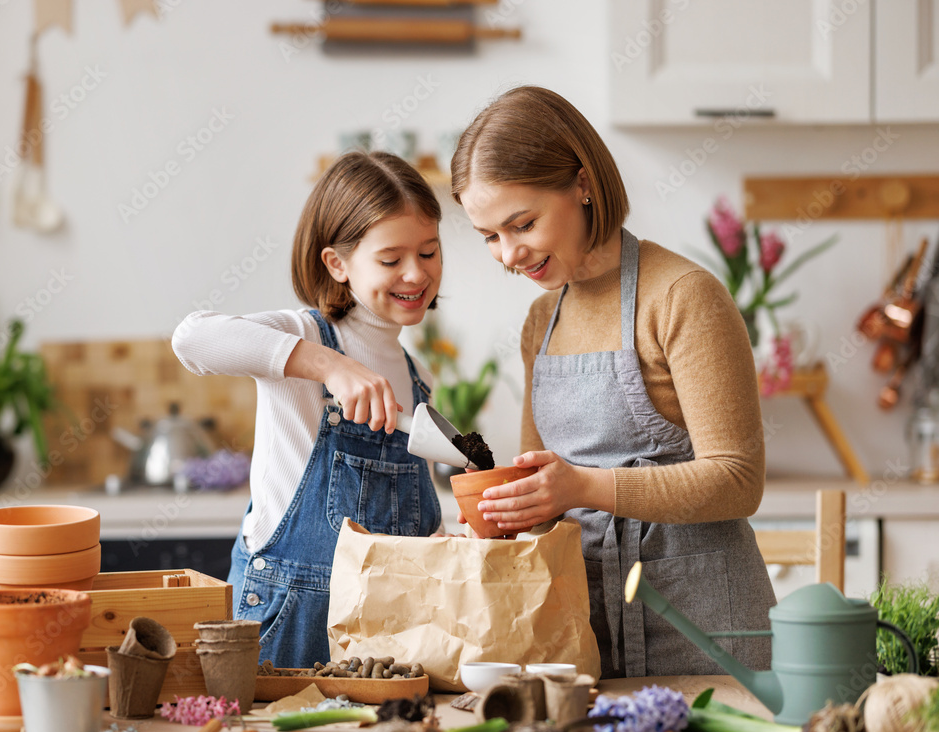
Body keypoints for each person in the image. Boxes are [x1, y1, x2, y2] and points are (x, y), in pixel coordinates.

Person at [450, 86, 776, 678]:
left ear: (583, 184)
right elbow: (542, 481)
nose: (507, 254)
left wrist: (579, 488)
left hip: (706, 632)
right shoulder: (541, 320)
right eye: (490, 236)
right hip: (581, 633)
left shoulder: (682, 297)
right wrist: (505, 511)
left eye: (522, 224)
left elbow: (738, 480)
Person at [172, 151, 444, 668]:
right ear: (337, 264)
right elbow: (192, 339)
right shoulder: (305, 336)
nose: (416, 273)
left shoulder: (418, 377)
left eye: (429, 252)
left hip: (382, 639)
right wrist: (328, 366)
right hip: (287, 623)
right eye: (391, 260)